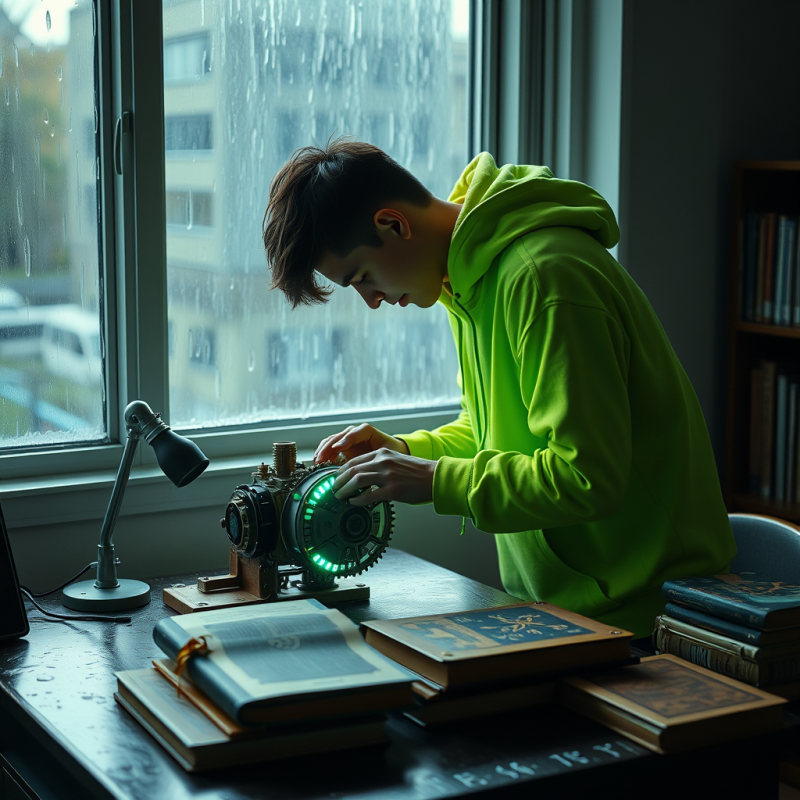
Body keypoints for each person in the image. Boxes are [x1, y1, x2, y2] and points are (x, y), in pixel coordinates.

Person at [262, 138, 735, 638]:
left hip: (653, 620)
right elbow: (495, 432)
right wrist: (402, 452)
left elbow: (586, 477)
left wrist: (435, 480)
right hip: (562, 612)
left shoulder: (545, 277)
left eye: (362, 277)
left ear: (393, 224)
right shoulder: (465, 282)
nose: (372, 302)